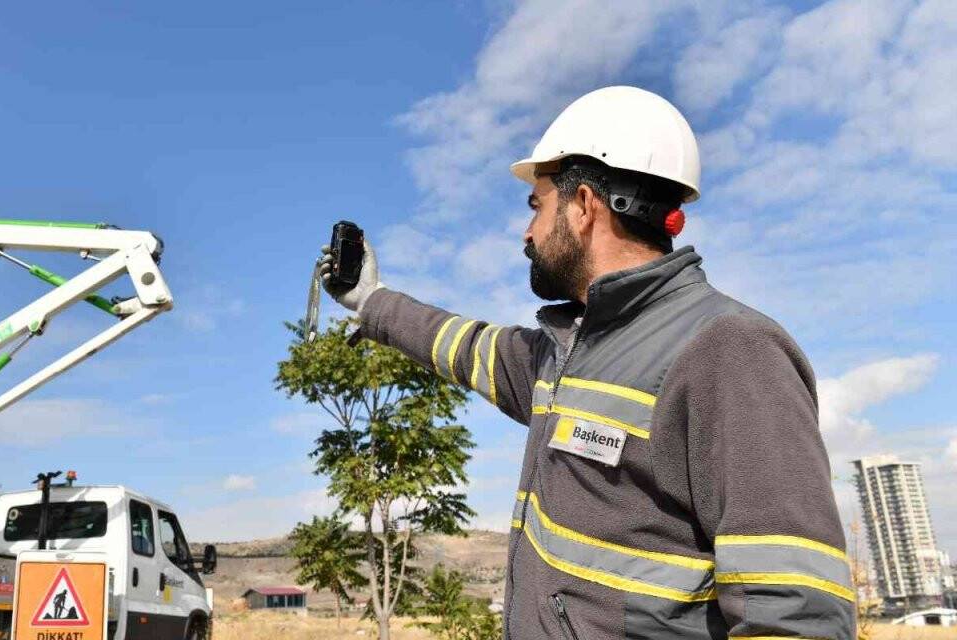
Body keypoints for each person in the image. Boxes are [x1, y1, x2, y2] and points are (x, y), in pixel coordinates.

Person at [320, 86, 853, 640]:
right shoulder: (567, 354)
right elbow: (467, 346)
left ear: (582, 206)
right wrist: (370, 301)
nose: (526, 233)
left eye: (537, 207)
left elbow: (796, 615)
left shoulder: (730, 351)